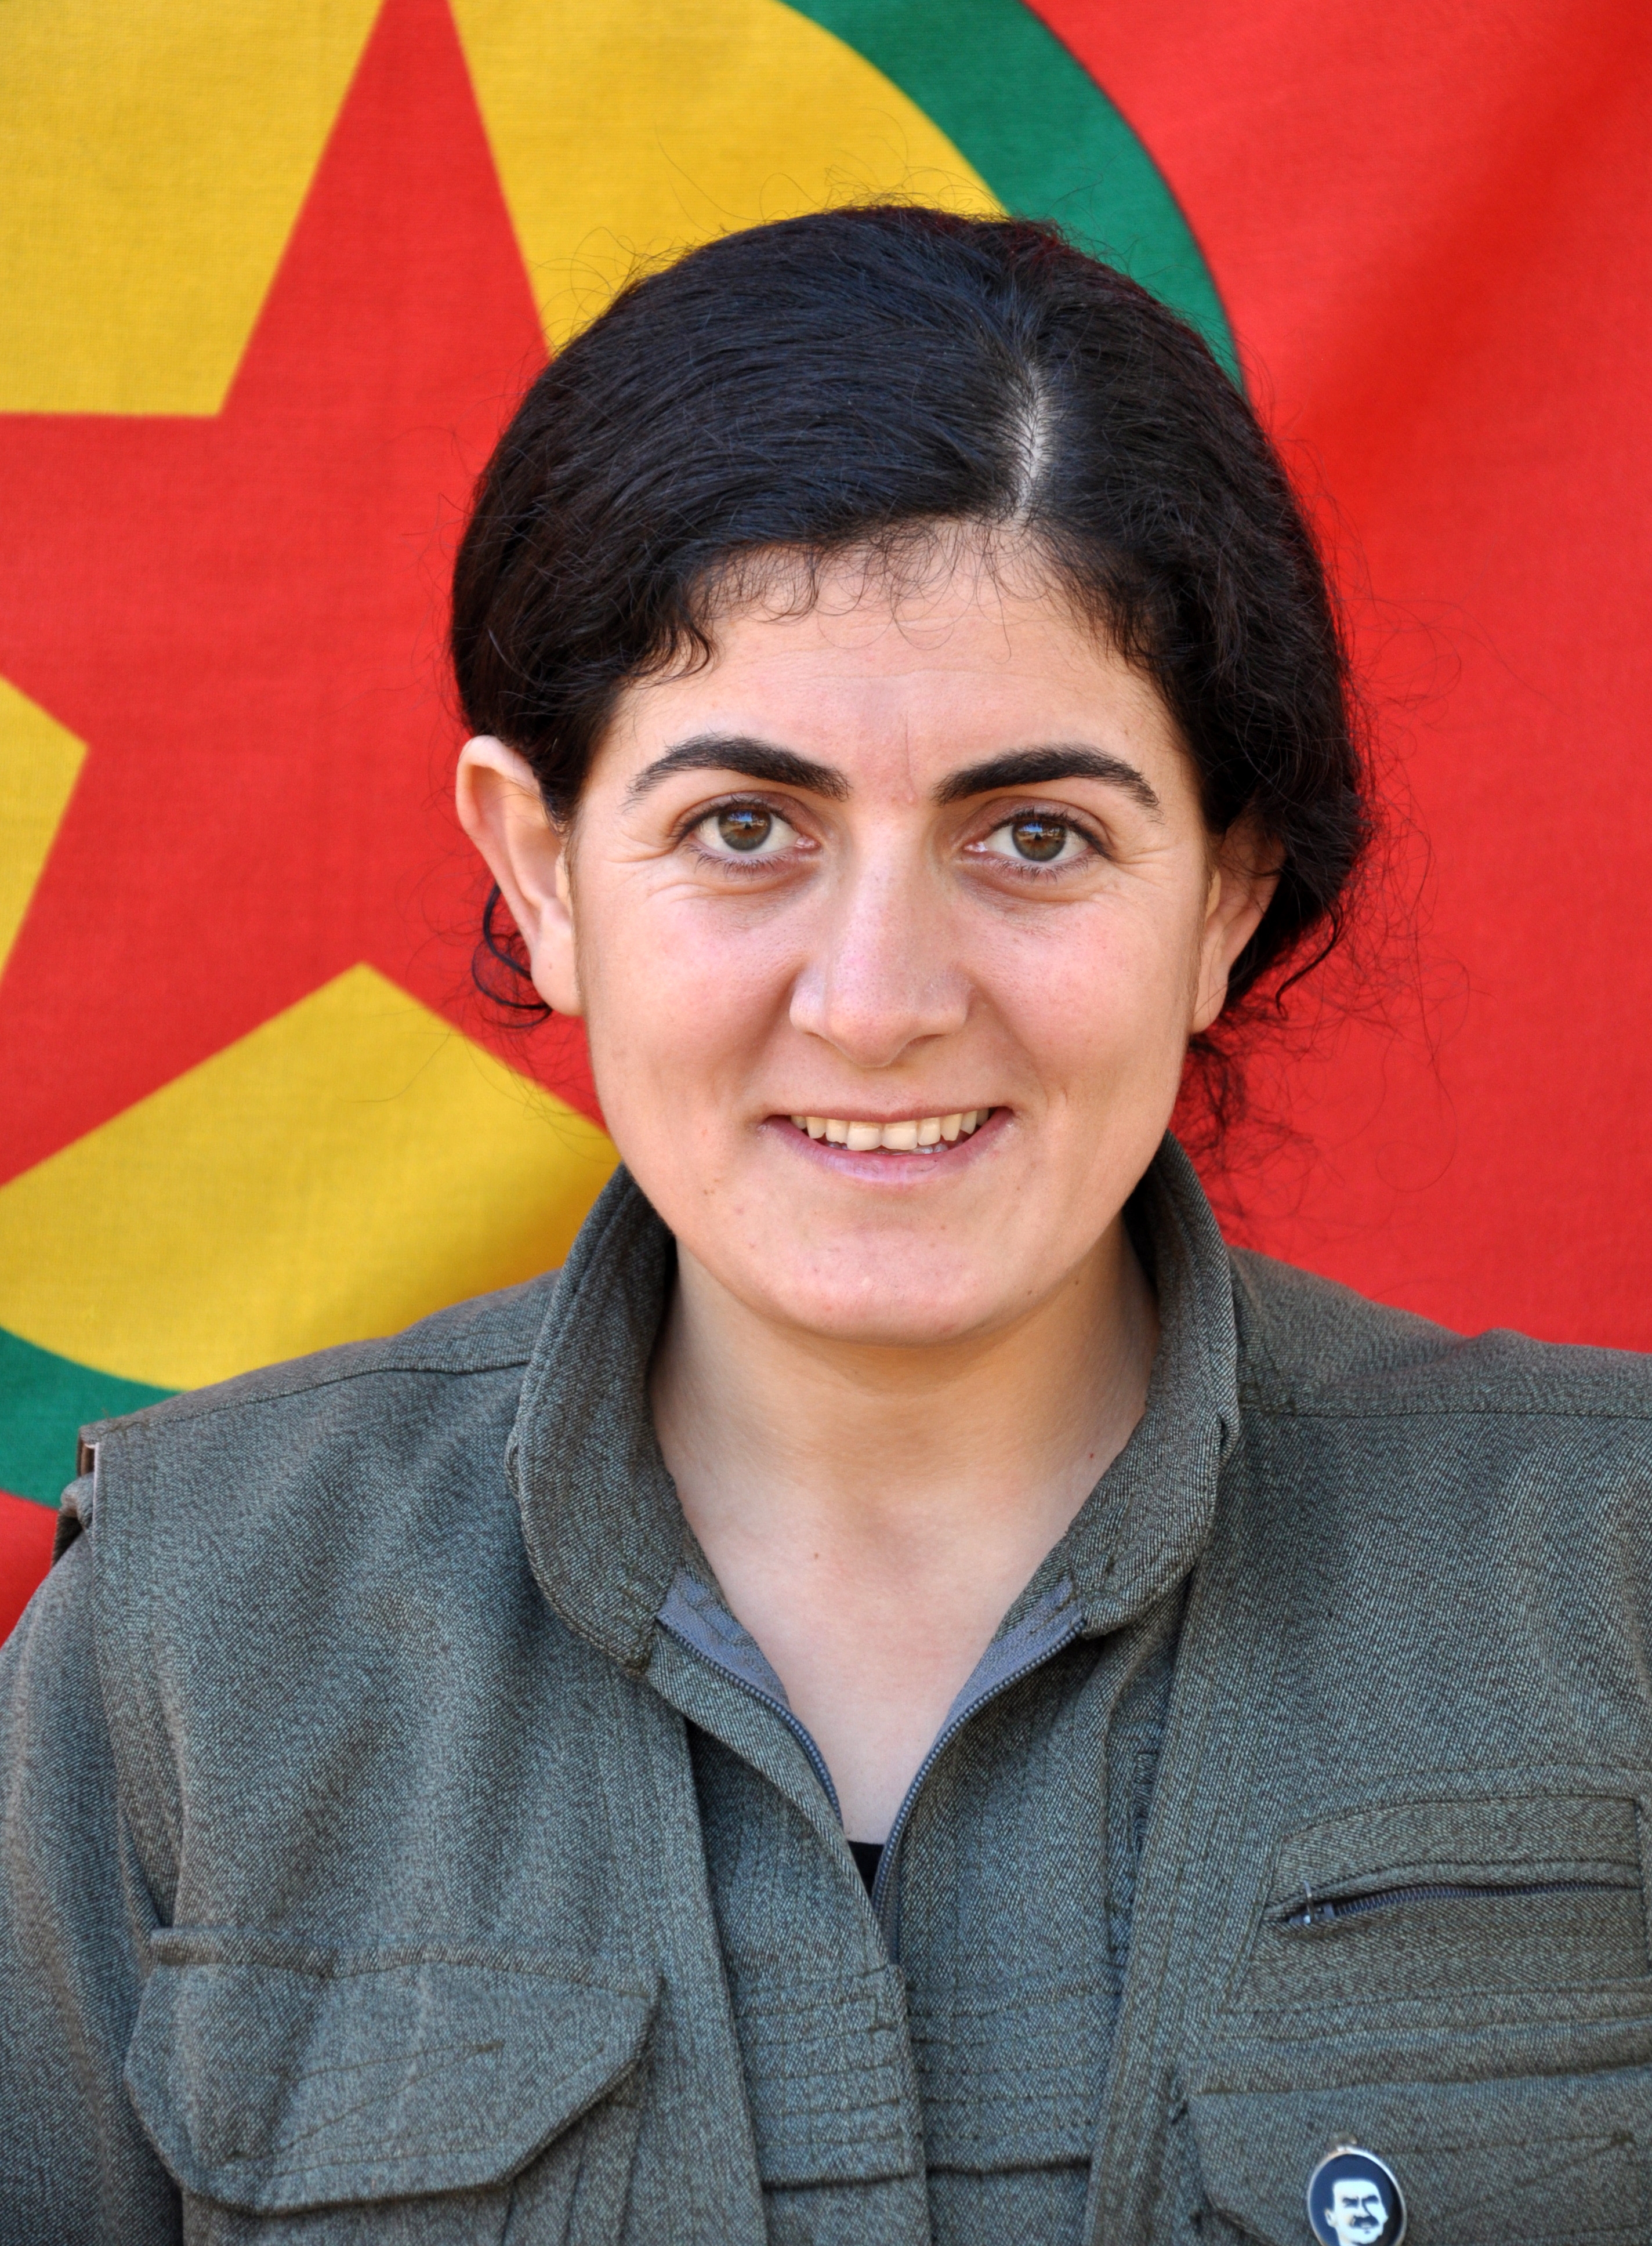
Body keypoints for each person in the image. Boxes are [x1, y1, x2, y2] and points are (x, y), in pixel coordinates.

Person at [2, 206, 1648, 2246]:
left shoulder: (1615, 1574)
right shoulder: (182, 1640)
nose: (878, 1001)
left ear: (1224, 897)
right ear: (542, 874)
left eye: (1034, 835)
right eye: (744, 829)